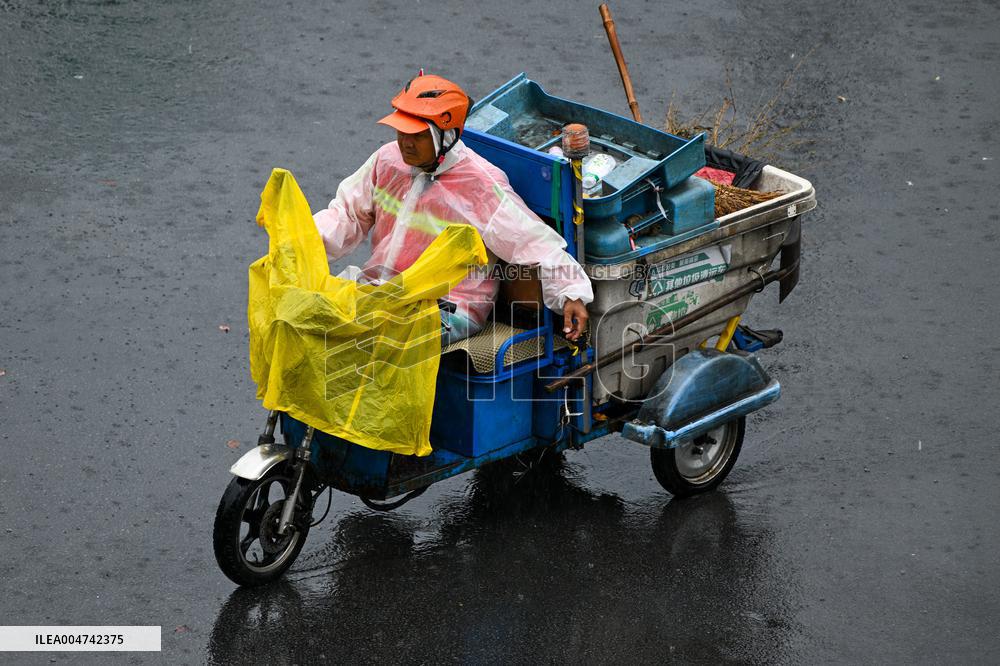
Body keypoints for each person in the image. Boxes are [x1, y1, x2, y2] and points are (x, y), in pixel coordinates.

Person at [313, 73, 593, 344]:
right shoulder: (387, 160)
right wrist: (302, 240)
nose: (405, 142)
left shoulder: (480, 184)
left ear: (445, 137)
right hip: (382, 291)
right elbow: (346, 214)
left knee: (368, 339)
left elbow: (534, 244)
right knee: (309, 317)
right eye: (402, 131)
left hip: (448, 308)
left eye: (418, 135)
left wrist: (571, 293)